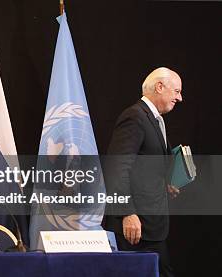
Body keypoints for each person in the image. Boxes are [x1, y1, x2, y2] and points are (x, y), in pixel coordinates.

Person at [105, 67, 182, 277]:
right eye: (176, 91)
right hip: (135, 227)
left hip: (151, 225)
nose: (180, 97)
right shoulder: (135, 117)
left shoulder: (155, 119)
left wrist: (163, 184)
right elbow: (116, 168)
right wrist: (127, 213)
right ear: (159, 87)